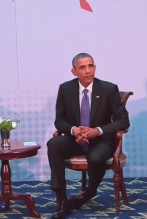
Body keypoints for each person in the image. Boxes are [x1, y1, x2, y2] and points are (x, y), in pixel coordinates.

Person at [47, 53, 130, 219]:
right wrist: (74, 130)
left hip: (101, 140)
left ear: (95, 68)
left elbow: (123, 121)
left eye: (90, 66)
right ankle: (62, 198)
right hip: (75, 139)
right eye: (82, 67)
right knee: (54, 144)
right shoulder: (65, 89)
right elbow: (59, 120)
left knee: (96, 157)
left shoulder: (108, 89)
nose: (88, 71)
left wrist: (97, 130)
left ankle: (89, 192)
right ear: (74, 71)